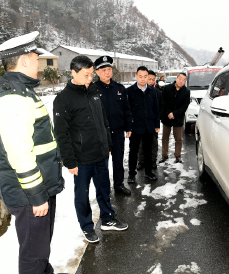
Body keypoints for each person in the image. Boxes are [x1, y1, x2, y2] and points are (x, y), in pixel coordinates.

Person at [0, 31, 65, 274]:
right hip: (29, 192)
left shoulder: (21, 90)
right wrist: (37, 195)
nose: (39, 63)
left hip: (36, 186)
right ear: (25, 60)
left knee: (40, 250)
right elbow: (19, 153)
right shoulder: (13, 96)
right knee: (33, 257)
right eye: (36, 58)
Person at [53, 56, 128, 244]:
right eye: (86, 75)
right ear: (73, 72)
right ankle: (87, 226)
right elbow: (61, 134)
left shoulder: (94, 90)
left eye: (91, 75)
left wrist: (108, 144)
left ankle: (108, 219)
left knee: (104, 188)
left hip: (101, 153)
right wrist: (69, 161)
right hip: (81, 158)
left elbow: (103, 120)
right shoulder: (63, 99)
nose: (89, 79)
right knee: (82, 194)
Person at [94, 55, 132, 196]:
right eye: (103, 70)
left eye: (109, 69)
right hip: (101, 134)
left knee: (118, 160)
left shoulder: (120, 88)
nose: (107, 72)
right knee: (102, 163)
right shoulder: (92, 89)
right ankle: (104, 189)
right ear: (97, 72)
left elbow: (126, 109)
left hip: (117, 131)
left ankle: (119, 185)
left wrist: (128, 127)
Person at [126, 66, 160, 183]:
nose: (143, 79)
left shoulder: (152, 90)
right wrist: (128, 126)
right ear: (136, 76)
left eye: (145, 76)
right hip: (135, 126)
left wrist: (157, 124)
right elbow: (127, 110)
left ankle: (148, 172)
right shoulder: (130, 91)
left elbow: (155, 108)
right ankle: (131, 174)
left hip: (148, 126)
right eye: (140, 76)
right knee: (133, 151)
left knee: (148, 150)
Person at [159, 73, 190, 164]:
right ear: (176, 78)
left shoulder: (186, 91)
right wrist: (169, 112)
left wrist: (175, 114)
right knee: (165, 137)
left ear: (185, 82)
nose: (181, 81)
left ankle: (178, 156)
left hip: (178, 118)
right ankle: (164, 155)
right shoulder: (167, 88)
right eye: (180, 78)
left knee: (178, 139)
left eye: (184, 80)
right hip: (167, 117)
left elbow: (185, 106)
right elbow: (163, 102)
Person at [137, 70, 163, 170]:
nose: (151, 81)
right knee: (141, 143)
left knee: (153, 143)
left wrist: (156, 120)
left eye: (153, 79)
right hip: (140, 123)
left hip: (152, 123)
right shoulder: (138, 91)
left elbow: (161, 108)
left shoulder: (157, 93)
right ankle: (141, 161)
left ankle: (152, 161)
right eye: (149, 79)